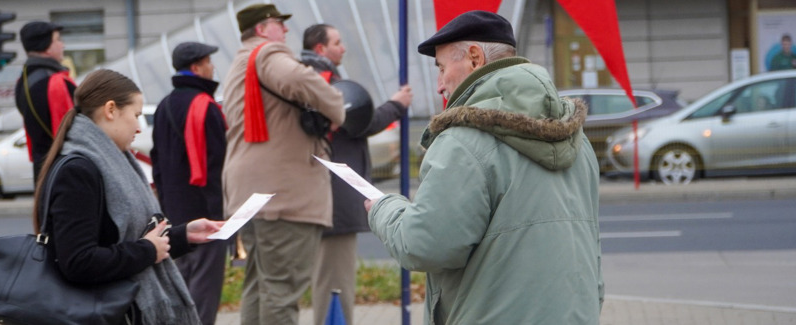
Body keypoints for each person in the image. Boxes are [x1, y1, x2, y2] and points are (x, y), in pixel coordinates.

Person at [364, 11, 603, 324]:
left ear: (474, 58)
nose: (439, 85)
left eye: (442, 68)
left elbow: (426, 245)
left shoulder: (463, 140)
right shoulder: (576, 137)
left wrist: (384, 208)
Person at [37, 69, 223, 325]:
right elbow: (78, 261)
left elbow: (124, 237)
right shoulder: (79, 171)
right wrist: (146, 251)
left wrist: (183, 235)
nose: (138, 127)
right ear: (111, 110)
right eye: (135, 115)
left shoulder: (113, 161)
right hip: (104, 312)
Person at [220, 4, 345, 324]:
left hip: (249, 194)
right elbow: (298, 77)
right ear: (263, 29)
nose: (286, 31)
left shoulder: (241, 60)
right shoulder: (268, 53)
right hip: (282, 196)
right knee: (281, 293)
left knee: (259, 287)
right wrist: (336, 108)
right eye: (279, 24)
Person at [299, 23, 413, 325]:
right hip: (335, 193)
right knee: (334, 284)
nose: (344, 47)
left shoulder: (304, 79)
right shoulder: (321, 81)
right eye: (337, 42)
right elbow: (360, 120)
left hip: (325, 193)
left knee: (330, 279)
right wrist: (396, 105)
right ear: (320, 48)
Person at [150, 41, 227, 325]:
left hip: (174, 212)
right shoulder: (206, 106)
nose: (213, 67)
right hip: (206, 211)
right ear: (196, 68)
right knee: (206, 290)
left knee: (180, 285)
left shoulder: (164, 105)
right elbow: (219, 163)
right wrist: (220, 211)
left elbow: (157, 162)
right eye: (209, 62)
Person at [14, 21, 76, 180]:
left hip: (41, 169)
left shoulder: (23, 81)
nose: (63, 45)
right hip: (65, 170)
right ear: (47, 46)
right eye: (58, 40)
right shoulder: (56, 82)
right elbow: (74, 128)